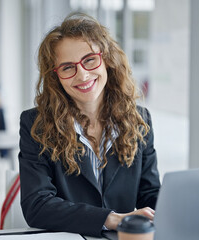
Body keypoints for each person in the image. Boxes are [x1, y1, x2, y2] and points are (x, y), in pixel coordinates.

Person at [18, 13, 161, 237]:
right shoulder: (36, 125)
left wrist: (176, 210)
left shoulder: (139, 120)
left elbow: (150, 193)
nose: (83, 75)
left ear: (107, 60)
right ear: (56, 77)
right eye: (67, 67)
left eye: (90, 59)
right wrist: (111, 219)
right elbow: (37, 205)